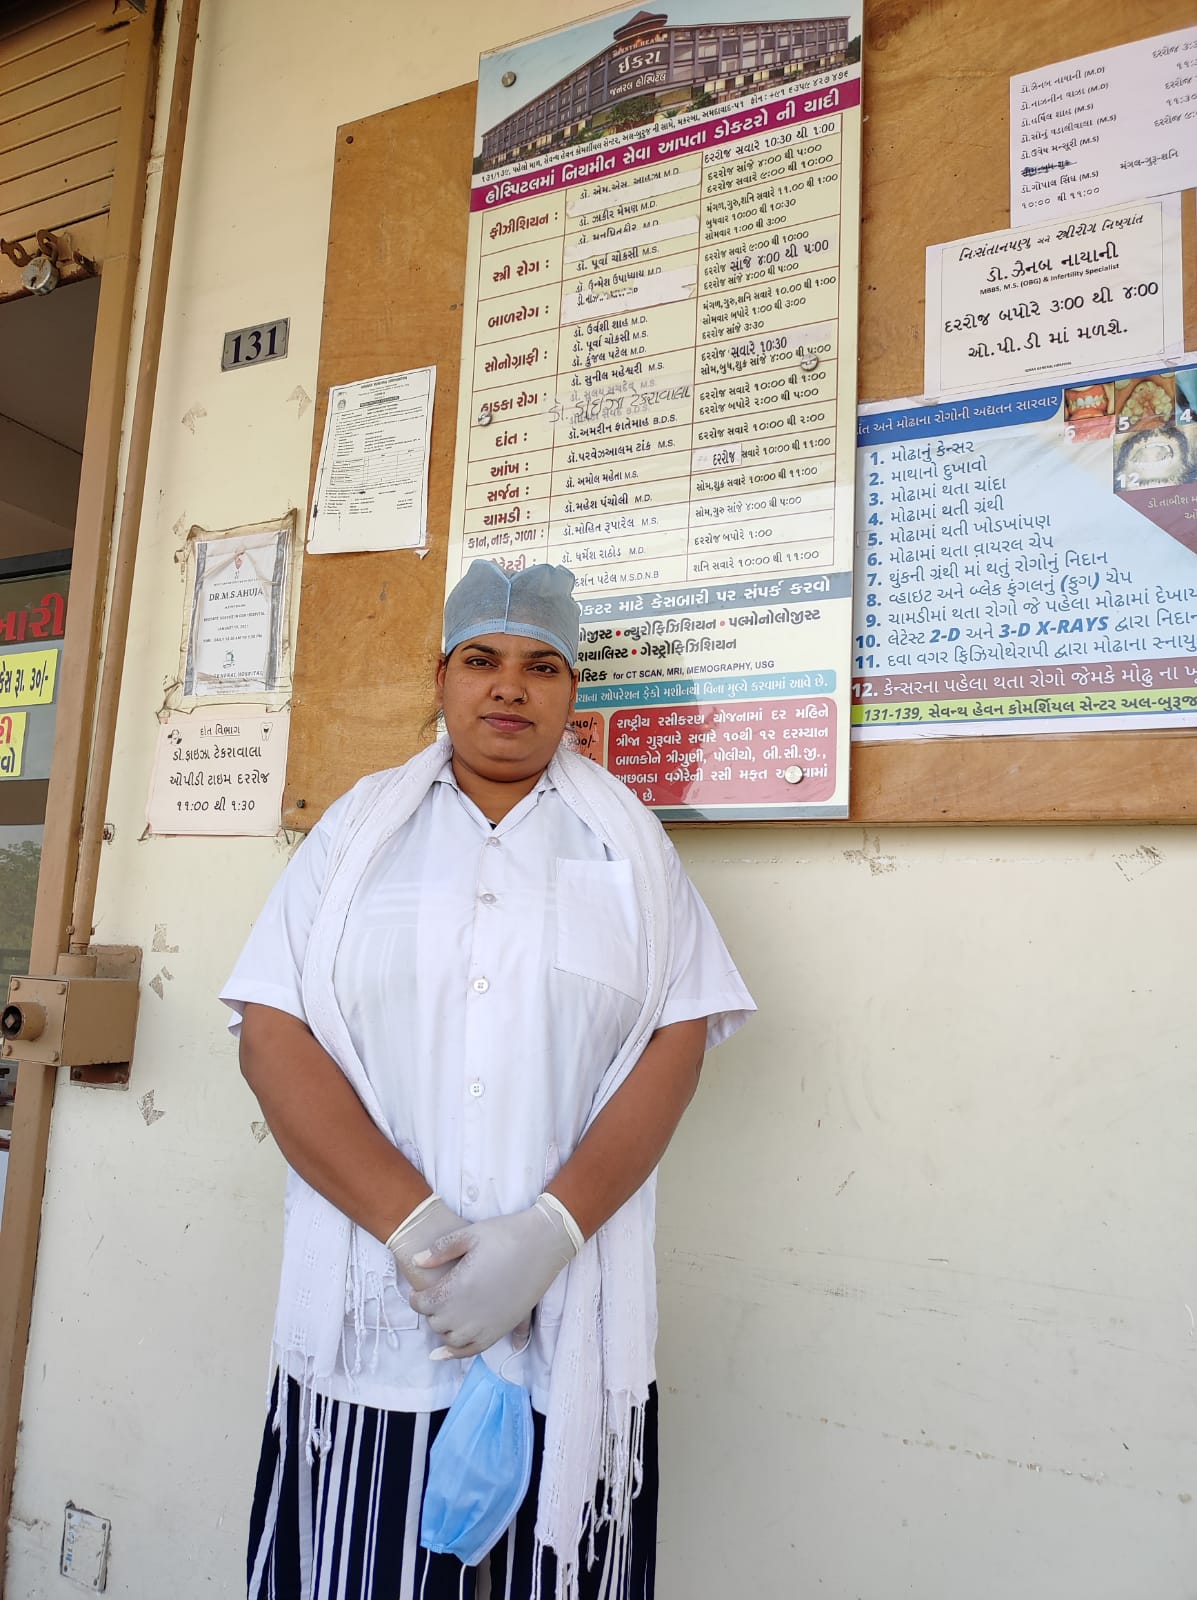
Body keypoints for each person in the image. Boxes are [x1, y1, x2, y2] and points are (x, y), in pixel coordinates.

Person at [222, 559, 754, 1600]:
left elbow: (675, 1043)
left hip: (567, 1322)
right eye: (483, 659)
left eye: (541, 665)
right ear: (442, 677)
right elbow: (271, 1031)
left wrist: (548, 1235)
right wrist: (415, 1227)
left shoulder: (630, 850)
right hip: (376, 1318)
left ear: (571, 694)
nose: (509, 685)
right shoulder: (354, 837)